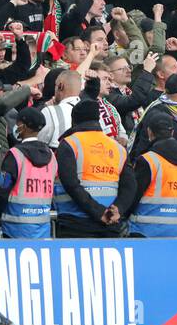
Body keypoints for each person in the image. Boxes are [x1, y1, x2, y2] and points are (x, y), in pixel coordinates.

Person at [53, 88, 136, 237]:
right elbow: (130, 185)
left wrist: (98, 212)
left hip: (75, 224)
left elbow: (71, 184)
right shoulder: (118, 148)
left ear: (74, 121)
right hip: (110, 223)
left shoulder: (69, 144)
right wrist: (118, 209)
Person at [0, 107, 57, 239]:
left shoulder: (15, 154)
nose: (16, 127)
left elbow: (2, 190)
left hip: (15, 228)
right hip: (43, 227)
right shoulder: (51, 156)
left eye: (17, 124)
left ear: (23, 126)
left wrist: (0, 213)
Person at [125, 118, 177, 237]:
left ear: (150, 132)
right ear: (172, 132)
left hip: (145, 231)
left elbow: (133, 195)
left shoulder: (148, 160)